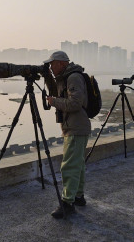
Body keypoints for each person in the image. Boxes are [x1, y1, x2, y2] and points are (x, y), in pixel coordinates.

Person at [43, 51, 91, 218]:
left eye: (52, 64)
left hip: (76, 128)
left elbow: (75, 103)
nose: (50, 66)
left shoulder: (73, 77)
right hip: (75, 127)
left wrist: (54, 101)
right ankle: (78, 197)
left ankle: (67, 202)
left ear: (62, 63)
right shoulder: (68, 76)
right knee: (77, 164)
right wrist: (48, 77)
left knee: (69, 165)